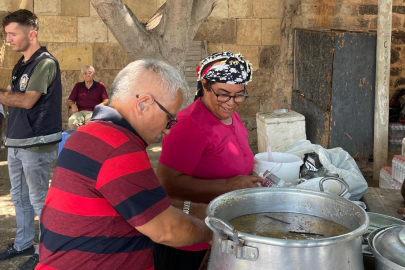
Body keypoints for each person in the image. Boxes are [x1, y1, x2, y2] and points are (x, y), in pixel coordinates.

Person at [35, 59, 212, 270]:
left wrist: (193, 209)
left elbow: (138, 203)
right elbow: (167, 230)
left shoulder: (86, 134)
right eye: (169, 119)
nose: (168, 130)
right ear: (143, 103)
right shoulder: (119, 147)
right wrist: (212, 232)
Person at [154, 52, 263, 270]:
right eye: (223, 94)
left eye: (239, 95)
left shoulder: (230, 115)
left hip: (222, 231)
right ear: (204, 85)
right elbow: (167, 184)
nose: (231, 103)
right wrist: (231, 185)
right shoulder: (189, 125)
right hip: (190, 240)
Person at [0, 9, 62, 270]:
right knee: (19, 196)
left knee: (39, 199)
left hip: (35, 143)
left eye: (13, 34)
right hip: (16, 142)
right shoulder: (22, 63)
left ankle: (47, 251)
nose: (8, 40)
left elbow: (26, 100)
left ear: (32, 33)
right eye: (6, 35)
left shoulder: (45, 62)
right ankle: (23, 243)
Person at [66, 65, 109, 129]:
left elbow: (106, 100)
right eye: (85, 73)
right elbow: (69, 101)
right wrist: (73, 105)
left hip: (93, 112)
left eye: (89, 73)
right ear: (82, 75)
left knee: (90, 126)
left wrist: (100, 105)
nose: (87, 75)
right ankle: (75, 138)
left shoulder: (100, 85)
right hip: (79, 112)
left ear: (93, 74)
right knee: (73, 123)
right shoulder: (78, 86)